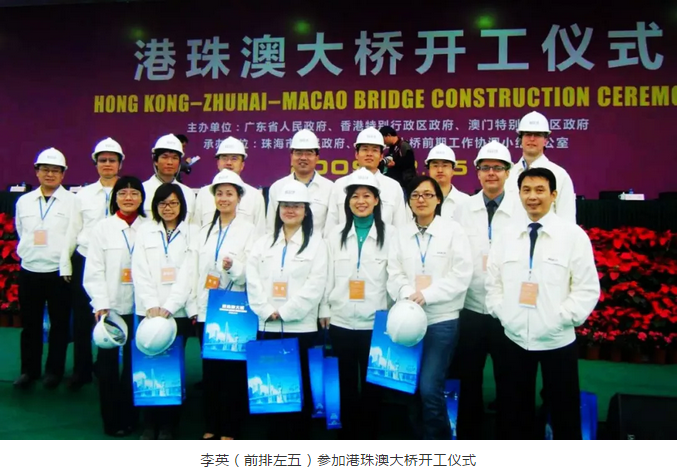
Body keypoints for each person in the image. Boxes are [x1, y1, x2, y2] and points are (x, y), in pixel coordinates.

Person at [486, 167, 600, 439]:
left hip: (557, 340)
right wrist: (505, 314)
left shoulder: (572, 236)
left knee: (564, 412)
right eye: (526, 190)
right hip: (514, 339)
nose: (532, 197)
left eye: (540, 190)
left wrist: (560, 318)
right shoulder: (506, 235)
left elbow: (586, 288)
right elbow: (493, 283)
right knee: (514, 413)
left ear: (553, 195)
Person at [387, 175, 473, 440]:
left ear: (438, 200)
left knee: (429, 386)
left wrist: (427, 295)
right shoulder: (400, 234)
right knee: (408, 385)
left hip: (441, 320)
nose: (421, 200)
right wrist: (407, 294)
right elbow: (393, 273)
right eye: (415, 195)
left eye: (427, 194)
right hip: (406, 320)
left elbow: (461, 275)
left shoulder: (453, 231)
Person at [246, 180, 328, 439]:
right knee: (270, 380)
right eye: (285, 205)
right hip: (267, 324)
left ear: (306, 211)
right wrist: (266, 310)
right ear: (278, 209)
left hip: (300, 326)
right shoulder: (262, 243)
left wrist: (286, 312)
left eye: (297, 206)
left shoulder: (317, 244)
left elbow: (316, 284)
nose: (290, 210)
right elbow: (252, 279)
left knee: (298, 383)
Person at [452, 140, 519, 439]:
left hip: (507, 309)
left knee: (509, 379)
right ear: (477, 172)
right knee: (468, 377)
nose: (491, 173)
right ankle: (470, 438)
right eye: (485, 168)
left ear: (508, 172)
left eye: (498, 168)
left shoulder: (520, 208)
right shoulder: (462, 209)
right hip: (470, 307)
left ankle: (508, 438)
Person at [321, 168, 393, 440]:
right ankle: (349, 437)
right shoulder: (334, 234)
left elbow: (395, 277)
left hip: (376, 322)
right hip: (341, 321)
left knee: (373, 385)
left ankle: (370, 437)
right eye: (355, 196)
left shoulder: (392, 235)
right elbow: (326, 275)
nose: (360, 201)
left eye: (366, 196)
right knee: (346, 381)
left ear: (376, 200)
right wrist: (324, 308)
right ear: (347, 201)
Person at [190, 169, 257, 440]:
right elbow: (194, 271)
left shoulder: (250, 231)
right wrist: (194, 306)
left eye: (229, 193)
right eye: (219, 193)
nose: (224, 198)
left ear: (239, 197)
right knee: (211, 371)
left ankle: (230, 428)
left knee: (234, 372)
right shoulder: (203, 231)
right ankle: (211, 425)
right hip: (207, 309)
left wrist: (233, 267)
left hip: (236, 308)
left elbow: (252, 272)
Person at [132, 183, 198, 440]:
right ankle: (150, 424)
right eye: (162, 203)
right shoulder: (145, 231)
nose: (168, 208)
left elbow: (190, 272)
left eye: (173, 203)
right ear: (155, 206)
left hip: (176, 313)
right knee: (148, 365)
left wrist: (170, 306)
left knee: (172, 368)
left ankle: (170, 425)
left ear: (182, 205)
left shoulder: (193, 232)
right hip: (148, 312)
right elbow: (139, 269)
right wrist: (151, 304)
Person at [83, 176, 148, 437]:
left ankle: (131, 416)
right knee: (108, 366)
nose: (128, 198)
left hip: (141, 308)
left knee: (135, 364)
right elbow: (94, 269)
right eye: (123, 193)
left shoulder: (149, 227)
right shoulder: (103, 228)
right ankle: (111, 419)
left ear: (142, 198)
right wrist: (101, 303)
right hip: (110, 307)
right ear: (115, 198)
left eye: (134, 193)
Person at [60, 137, 123, 390]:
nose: (107, 164)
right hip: (85, 259)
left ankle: (106, 367)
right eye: (102, 160)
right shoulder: (82, 195)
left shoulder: (129, 192)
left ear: (120, 164)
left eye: (112, 160)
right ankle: (82, 369)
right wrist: (66, 264)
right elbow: (72, 230)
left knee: (112, 313)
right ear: (95, 163)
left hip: (117, 261)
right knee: (83, 318)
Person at [14, 148, 76, 389]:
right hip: (30, 269)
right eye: (45, 170)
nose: (50, 174)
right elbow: (21, 230)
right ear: (36, 172)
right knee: (30, 324)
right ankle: (28, 371)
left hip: (58, 272)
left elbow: (73, 234)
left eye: (55, 170)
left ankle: (54, 371)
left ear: (63, 174)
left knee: (59, 325)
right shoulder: (24, 201)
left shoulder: (72, 202)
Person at [325, 127, 407, 237]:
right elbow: (331, 227)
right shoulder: (340, 185)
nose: (369, 154)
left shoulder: (393, 187)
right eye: (364, 149)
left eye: (375, 150)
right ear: (356, 154)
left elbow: (400, 228)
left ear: (381, 156)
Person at [505, 111, 576, 223]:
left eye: (538, 134)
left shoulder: (559, 175)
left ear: (546, 140)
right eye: (527, 134)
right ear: (520, 138)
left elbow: (567, 220)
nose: (532, 139)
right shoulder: (508, 174)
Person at [194, 137, 266, 238]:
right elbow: (196, 231)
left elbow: (260, 235)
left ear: (242, 165)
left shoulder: (255, 196)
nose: (228, 163)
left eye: (234, 158)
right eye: (224, 158)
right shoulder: (204, 194)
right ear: (218, 163)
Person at [266, 129, 334, 235]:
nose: (303, 158)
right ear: (291, 157)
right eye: (298, 153)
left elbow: (331, 230)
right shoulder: (278, 187)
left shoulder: (330, 188)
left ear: (317, 158)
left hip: (318, 245)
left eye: (309, 153)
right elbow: (271, 228)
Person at [142, 134, 196, 222]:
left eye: (175, 158)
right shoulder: (142, 190)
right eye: (165, 157)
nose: (170, 162)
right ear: (155, 161)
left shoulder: (188, 193)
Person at [424, 143, 469, 219]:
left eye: (445, 166)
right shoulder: (419, 200)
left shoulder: (466, 201)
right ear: (429, 170)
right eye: (435, 166)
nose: (440, 170)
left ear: (453, 170)